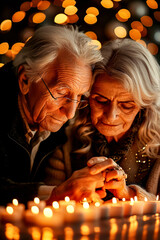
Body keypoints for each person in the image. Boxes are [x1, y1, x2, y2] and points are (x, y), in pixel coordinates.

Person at [46, 38, 160, 202]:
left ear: (144, 105)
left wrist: (127, 194)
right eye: (100, 101)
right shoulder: (65, 139)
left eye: (126, 105)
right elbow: (47, 204)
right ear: (87, 96)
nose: (110, 115)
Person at [0, 24, 103, 205]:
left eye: (80, 97)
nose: (70, 114)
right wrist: (54, 193)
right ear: (26, 80)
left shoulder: (61, 128)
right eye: (62, 93)